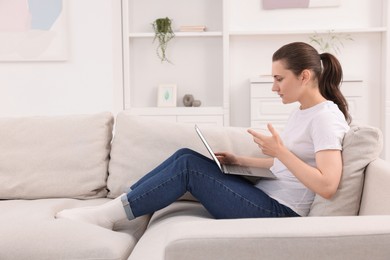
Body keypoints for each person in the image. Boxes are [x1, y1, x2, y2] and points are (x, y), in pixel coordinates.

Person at [56, 42, 350, 229]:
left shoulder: (325, 118)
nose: (274, 87)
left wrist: (281, 151)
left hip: (281, 214)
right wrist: (240, 159)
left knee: (188, 169)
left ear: (305, 76)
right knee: (186, 155)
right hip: (267, 197)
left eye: (278, 78)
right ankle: (126, 201)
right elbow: (289, 167)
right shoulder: (303, 112)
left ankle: (106, 216)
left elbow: (327, 185)